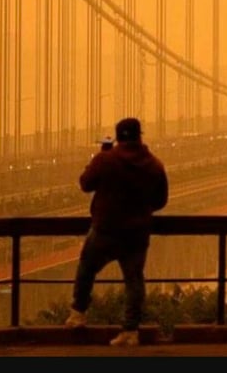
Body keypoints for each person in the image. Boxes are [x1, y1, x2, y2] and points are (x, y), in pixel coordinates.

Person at [65, 117, 169, 347]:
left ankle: (78, 314)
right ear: (140, 135)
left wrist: (100, 155)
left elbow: (85, 184)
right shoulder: (154, 165)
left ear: (118, 136)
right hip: (137, 233)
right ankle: (130, 331)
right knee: (134, 281)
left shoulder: (106, 160)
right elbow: (161, 201)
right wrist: (140, 210)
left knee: (86, 268)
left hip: (106, 229)